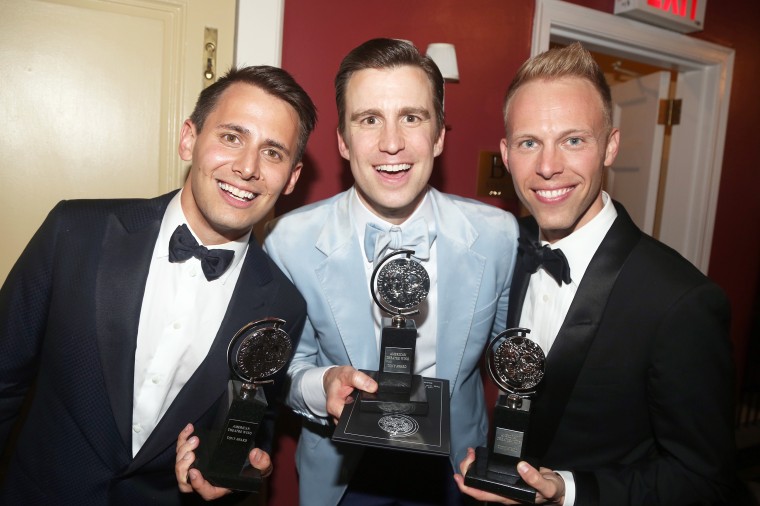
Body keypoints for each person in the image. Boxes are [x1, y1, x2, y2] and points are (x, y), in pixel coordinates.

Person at [0, 65, 317, 505]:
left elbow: (248, 420)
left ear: (292, 178)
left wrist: (229, 468)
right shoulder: (75, 233)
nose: (247, 167)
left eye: (273, 153)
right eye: (231, 137)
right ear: (189, 138)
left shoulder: (283, 304)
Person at [454, 42, 736, 505]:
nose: (548, 167)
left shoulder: (679, 301)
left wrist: (567, 490)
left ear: (610, 146)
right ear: (506, 154)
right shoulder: (503, 250)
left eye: (574, 140)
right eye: (529, 143)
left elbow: (703, 479)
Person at [262, 38, 518, 505]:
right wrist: (324, 388)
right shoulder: (289, 241)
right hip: (344, 477)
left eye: (412, 117)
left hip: (457, 474)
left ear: (439, 134)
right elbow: (281, 369)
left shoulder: (499, 236)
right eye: (369, 119)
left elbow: (511, 366)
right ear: (342, 140)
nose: (392, 143)